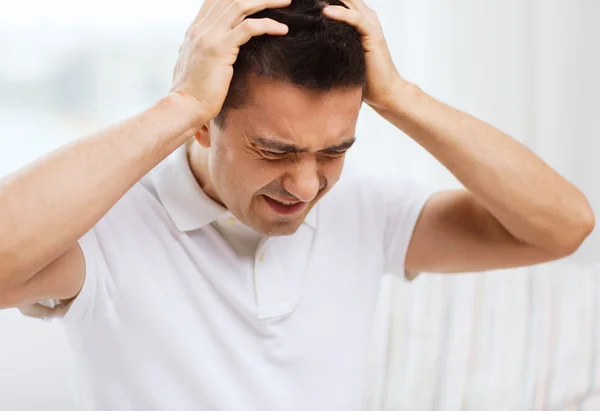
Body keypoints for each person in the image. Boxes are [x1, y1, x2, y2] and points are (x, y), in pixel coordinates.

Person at [0, 0, 594, 409]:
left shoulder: (365, 212)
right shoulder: (109, 230)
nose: (306, 187)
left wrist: (401, 97)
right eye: (273, 150)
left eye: (333, 151)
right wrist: (180, 104)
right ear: (206, 126)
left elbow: (562, 227)